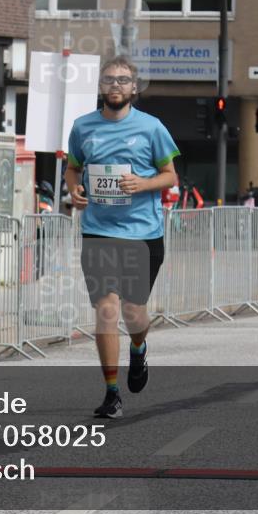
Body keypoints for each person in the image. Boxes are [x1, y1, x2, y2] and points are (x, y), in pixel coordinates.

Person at [65, 55, 179, 419]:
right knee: (106, 311)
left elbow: (170, 175)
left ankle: (140, 348)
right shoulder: (83, 127)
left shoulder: (151, 128)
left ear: (134, 88)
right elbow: (73, 168)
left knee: (132, 313)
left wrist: (143, 183)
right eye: (109, 79)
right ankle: (112, 392)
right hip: (98, 232)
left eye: (123, 80)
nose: (116, 85)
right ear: (101, 86)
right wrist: (74, 190)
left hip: (143, 234)